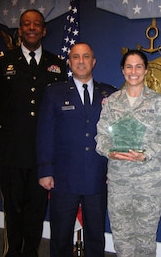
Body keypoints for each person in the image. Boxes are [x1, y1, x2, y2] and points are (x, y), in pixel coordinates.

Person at [0, 9, 67, 256]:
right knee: (13, 210)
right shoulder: (2, 61)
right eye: (26, 24)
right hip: (11, 153)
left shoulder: (57, 65)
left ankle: (30, 252)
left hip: (42, 156)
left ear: (44, 31)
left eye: (37, 24)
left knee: (36, 211)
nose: (32, 28)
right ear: (20, 30)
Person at [37, 42, 117, 257]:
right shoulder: (54, 93)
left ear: (94, 61)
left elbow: (116, 135)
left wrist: (114, 168)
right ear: (69, 62)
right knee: (61, 235)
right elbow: (45, 133)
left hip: (97, 175)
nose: (81, 61)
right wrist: (45, 170)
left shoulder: (109, 93)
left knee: (95, 236)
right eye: (76, 57)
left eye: (86, 56)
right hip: (64, 177)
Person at [95, 49, 161, 257]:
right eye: (129, 66)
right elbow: (100, 138)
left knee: (145, 241)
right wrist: (110, 152)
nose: (133, 71)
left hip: (149, 182)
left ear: (145, 70)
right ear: (122, 70)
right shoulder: (111, 102)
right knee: (122, 239)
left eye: (138, 66)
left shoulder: (158, 102)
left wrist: (146, 154)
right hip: (119, 181)